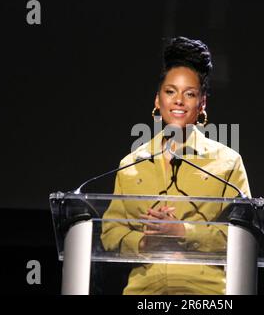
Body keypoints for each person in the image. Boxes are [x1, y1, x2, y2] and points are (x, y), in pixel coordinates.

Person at [100, 36, 251, 295]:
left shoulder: (227, 163)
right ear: (158, 100)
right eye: (170, 91)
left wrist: (182, 231)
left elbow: (244, 235)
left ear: (202, 103)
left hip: (206, 294)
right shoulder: (130, 165)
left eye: (189, 93)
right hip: (144, 292)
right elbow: (110, 232)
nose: (179, 100)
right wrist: (144, 242)